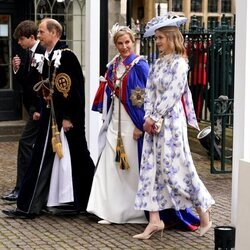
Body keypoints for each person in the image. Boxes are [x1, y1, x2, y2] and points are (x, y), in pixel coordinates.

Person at [133, 13, 215, 239]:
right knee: (150, 170)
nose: (157, 41)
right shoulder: (158, 63)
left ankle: (204, 212)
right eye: (156, 37)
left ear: (171, 38)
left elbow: (173, 93)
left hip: (170, 123)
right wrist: (147, 116)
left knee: (177, 169)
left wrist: (156, 117)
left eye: (160, 38)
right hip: (153, 123)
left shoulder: (180, 63)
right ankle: (155, 220)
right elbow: (149, 91)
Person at [2, 18, 95, 218]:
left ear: (54, 33)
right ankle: (28, 206)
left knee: (80, 159)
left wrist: (69, 117)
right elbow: (44, 85)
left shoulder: (67, 57)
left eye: (42, 31)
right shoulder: (47, 55)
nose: (39, 34)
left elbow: (75, 90)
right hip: (50, 115)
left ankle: (92, 203)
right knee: (40, 158)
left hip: (67, 118)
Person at [86, 24, 149, 224]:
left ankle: (133, 212)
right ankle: (109, 211)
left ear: (133, 42)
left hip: (133, 124)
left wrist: (141, 125)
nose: (124, 47)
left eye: (127, 42)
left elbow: (145, 97)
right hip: (115, 122)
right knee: (111, 166)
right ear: (115, 45)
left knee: (130, 170)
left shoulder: (140, 65)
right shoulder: (113, 66)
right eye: (120, 43)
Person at [2, 20, 45, 202]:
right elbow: (26, 83)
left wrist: (37, 108)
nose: (19, 43)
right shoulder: (28, 53)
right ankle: (25, 187)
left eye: (21, 39)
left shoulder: (41, 53)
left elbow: (42, 84)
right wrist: (17, 70)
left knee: (25, 144)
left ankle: (23, 188)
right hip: (34, 108)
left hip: (39, 110)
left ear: (31, 37)